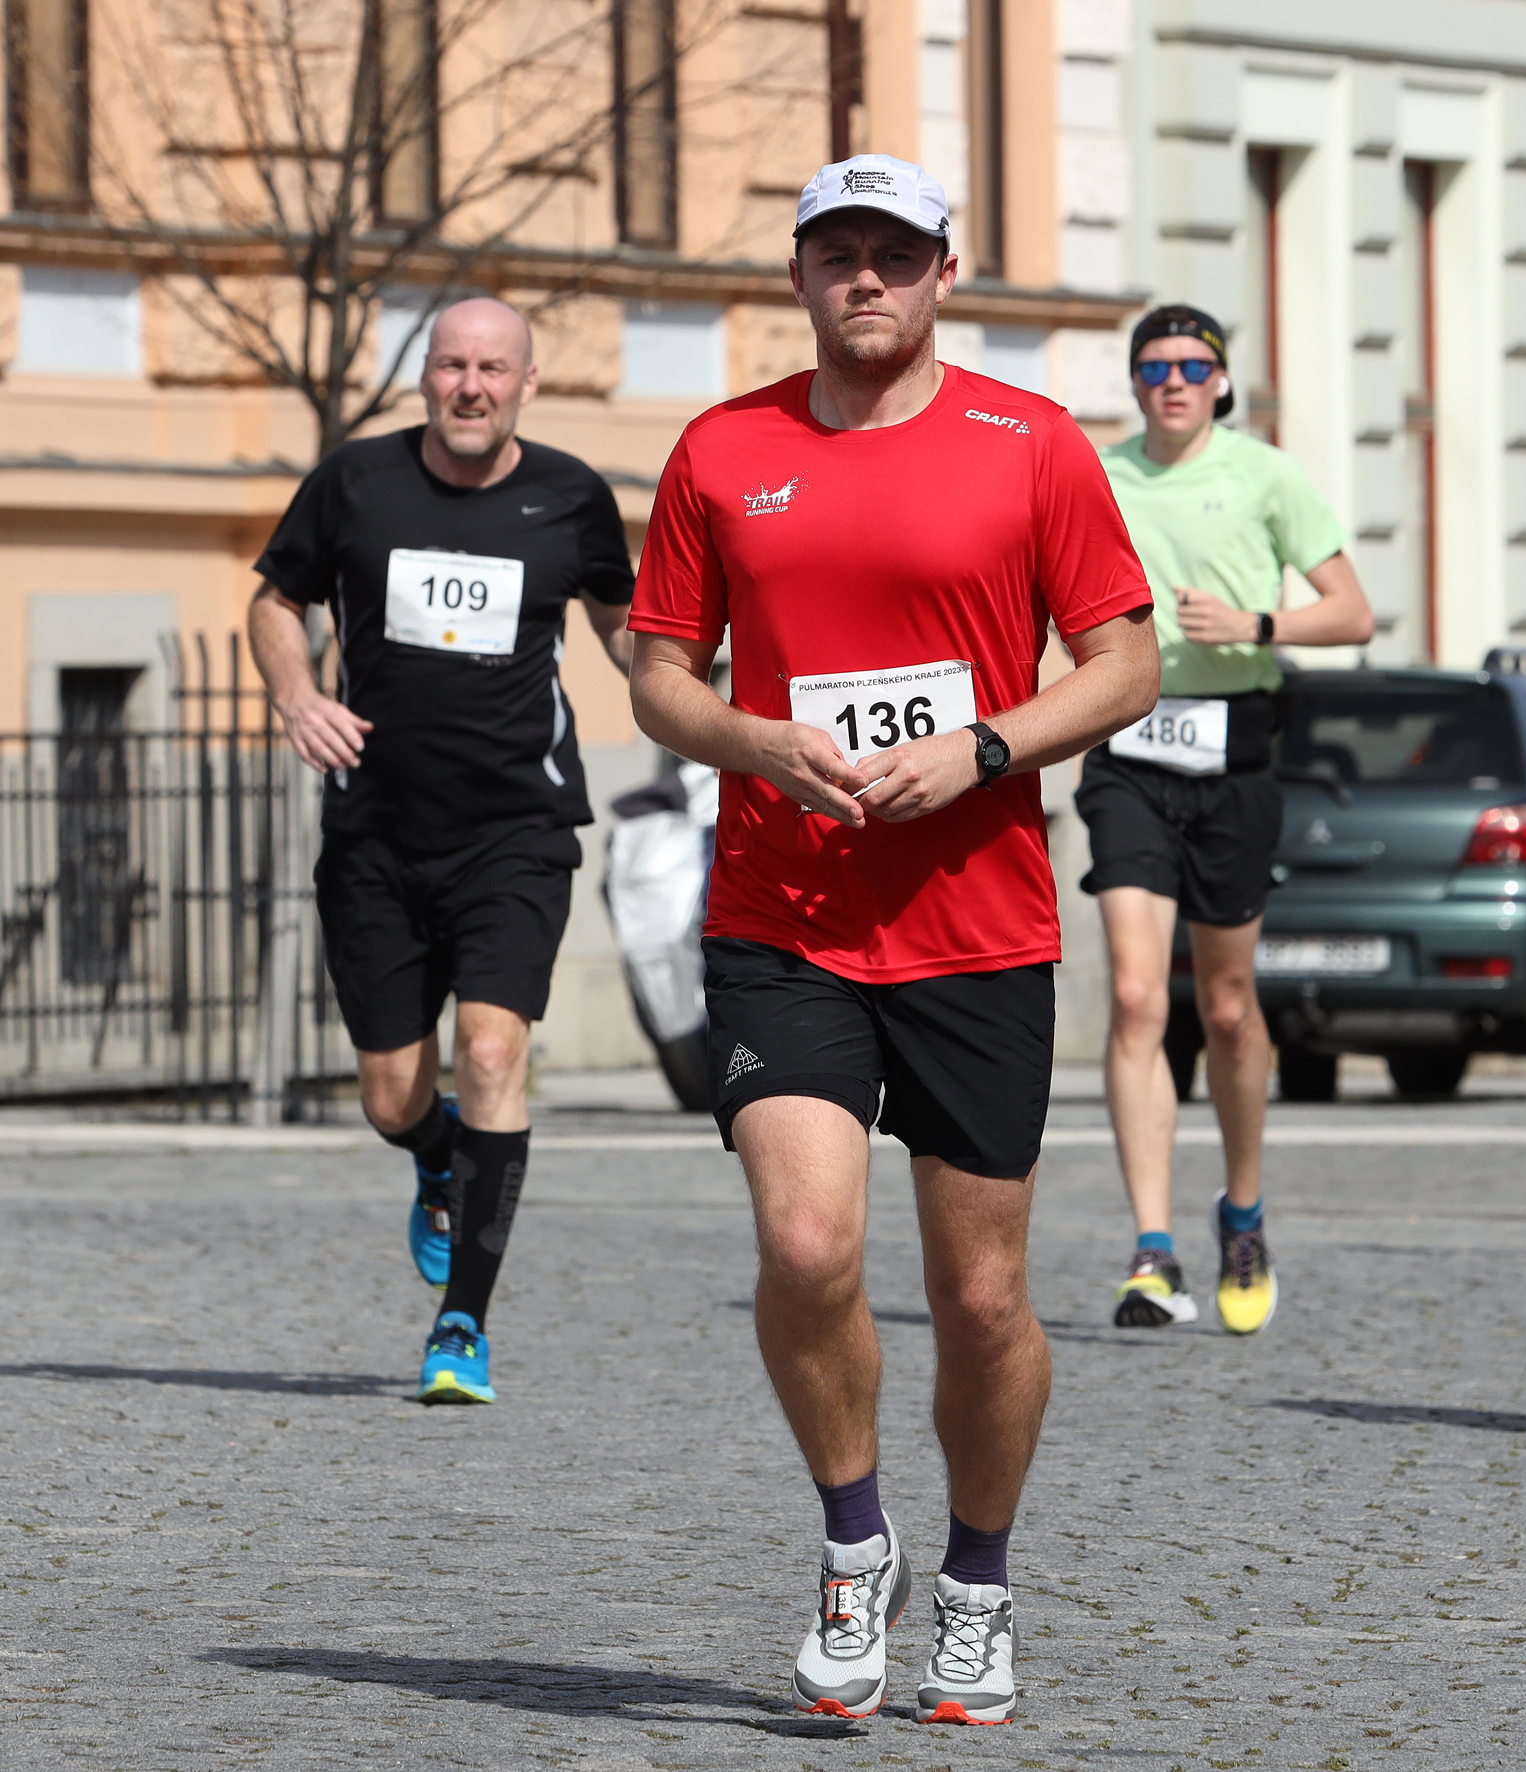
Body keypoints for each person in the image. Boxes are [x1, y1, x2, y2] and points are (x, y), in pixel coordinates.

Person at [624, 154, 1159, 1726]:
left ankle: (977, 1586)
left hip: (976, 924)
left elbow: (1124, 663)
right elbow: (658, 675)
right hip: (782, 915)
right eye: (838, 252)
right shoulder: (723, 450)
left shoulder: (1030, 442)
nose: (867, 277)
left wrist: (984, 749)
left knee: (980, 1297)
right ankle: (857, 1544)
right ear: (797, 275)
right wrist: (754, 744)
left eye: (897, 253)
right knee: (805, 1246)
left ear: (943, 274)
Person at [248, 297, 635, 1406]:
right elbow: (275, 602)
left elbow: (627, 629)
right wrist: (296, 695)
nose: (472, 386)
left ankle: (462, 1322)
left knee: (492, 1052)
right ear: (425, 376)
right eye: (453, 365)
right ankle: (432, 1154)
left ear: (526, 383)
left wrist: (712, 686)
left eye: (493, 368)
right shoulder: (355, 482)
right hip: (375, 833)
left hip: (517, 829)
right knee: (389, 1095)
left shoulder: (570, 496)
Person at [1082, 304, 1376, 1333]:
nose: (1172, 381)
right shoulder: (1097, 475)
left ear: (1219, 381)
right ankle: (1150, 1250)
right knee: (1134, 996)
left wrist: (1255, 622)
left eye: (1191, 366)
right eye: (1153, 366)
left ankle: (1242, 1211)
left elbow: (1352, 611)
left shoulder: (1264, 475)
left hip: (1236, 752)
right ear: (1134, 382)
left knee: (1225, 1004)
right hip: (1127, 745)